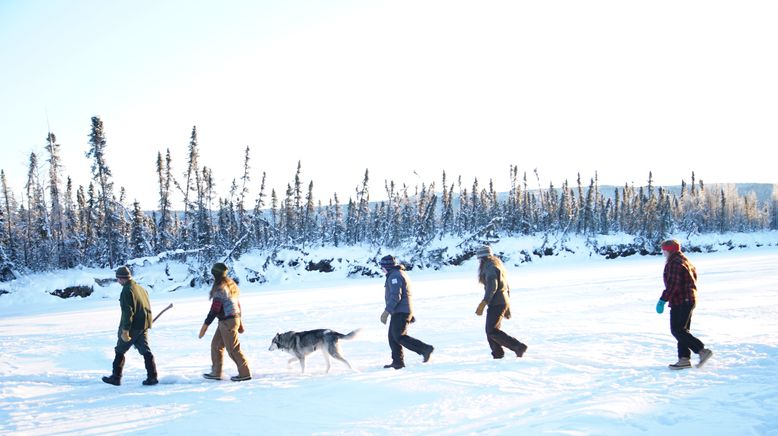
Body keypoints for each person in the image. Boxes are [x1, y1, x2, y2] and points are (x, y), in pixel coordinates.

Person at [656, 239, 713, 370]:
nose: (663, 253)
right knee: (682, 330)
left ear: (669, 250)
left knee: (677, 330)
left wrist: (663, 300)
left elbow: (673, 285)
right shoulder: (684, 260)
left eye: (664, 250)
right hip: (688, 299)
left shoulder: (675, 263)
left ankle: (701, 350)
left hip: (681, 300)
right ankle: (684, 359)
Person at [102, 265, 158, 386]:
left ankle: (116, 377)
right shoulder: (141, 288)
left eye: (118, 279)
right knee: (145, 351)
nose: (118, 281)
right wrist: (147, 322)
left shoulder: (127, 291)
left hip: (132, 327)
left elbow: (128, 312)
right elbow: (146, 307)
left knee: (119, 350)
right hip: (143, 325)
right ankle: (152, 377)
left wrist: (125, 330)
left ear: (122, 278)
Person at [379, 255, 434, 369]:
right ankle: (397, 362)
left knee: (399, 336)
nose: (381, 269)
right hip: (400, 311)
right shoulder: (396, 274)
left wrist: (386, 312)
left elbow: (396, 296)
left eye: (382, 266)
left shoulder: (395, 276)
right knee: (393, 337)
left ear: (388, 266)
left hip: (400, 311)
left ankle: (425, 349)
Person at [199, 262, 251, 381]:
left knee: (233, 348)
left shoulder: (220, 288)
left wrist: (205, 325)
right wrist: (240, 322)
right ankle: (216, 372)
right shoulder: (230, 285)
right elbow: (237, 304)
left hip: (228, 321)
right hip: (228, 320)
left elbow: (215, 309)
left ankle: (245, 373)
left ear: (216, 275)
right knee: (216, 345)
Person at [475, 245, 528, 359]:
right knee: (492, 330)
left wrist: (484, 302)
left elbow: (492, 286)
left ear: (483, 258)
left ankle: (518, 346)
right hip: (500, 302)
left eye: (479, 259)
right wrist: (507, 306)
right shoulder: (497, 265)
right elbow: (506, 287)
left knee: (491, 331)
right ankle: (497, 354)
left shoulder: (490, 267)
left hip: (496, 303)